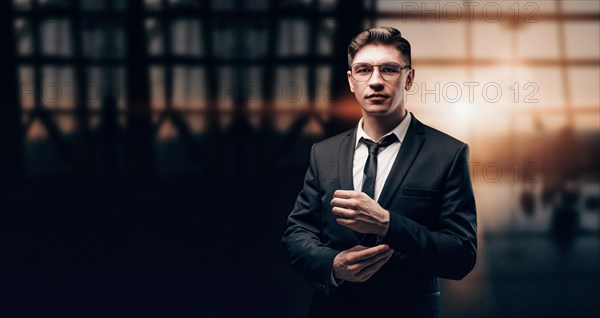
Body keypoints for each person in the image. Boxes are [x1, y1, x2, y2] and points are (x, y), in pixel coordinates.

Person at [282, 26, 477, 318]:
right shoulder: (323, 153)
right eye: (363, 70)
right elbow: (297, 233)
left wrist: (388, 224)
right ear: (351, 81)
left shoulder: (447, 153)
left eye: (388, 69)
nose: (375, 81)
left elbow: (461, 255)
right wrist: (333, 264)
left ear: (409, 78)